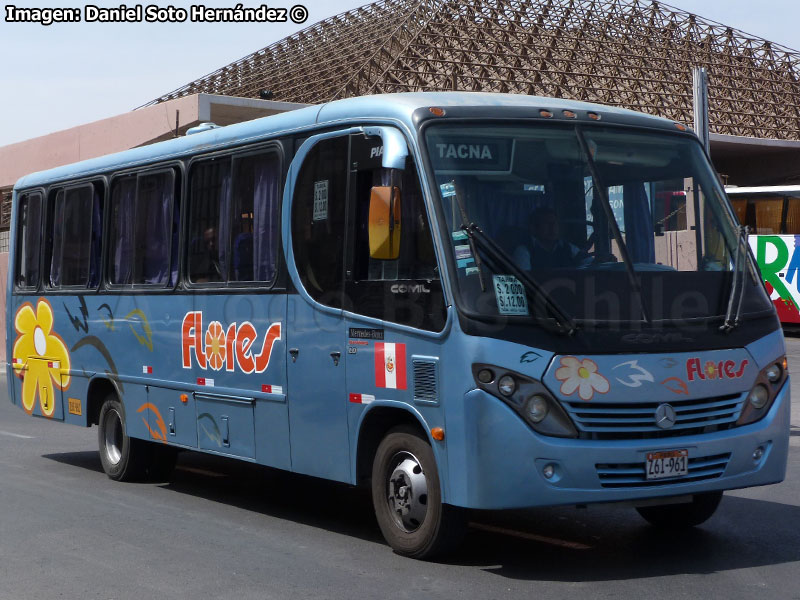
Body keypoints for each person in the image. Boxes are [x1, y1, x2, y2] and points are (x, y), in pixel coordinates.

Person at [513, 206, 588, 270]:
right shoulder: (524, 251)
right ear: (534, 228)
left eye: (555, 223)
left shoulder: (568, 247)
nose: (553, 228)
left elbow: (588, 263)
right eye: (546, 224)